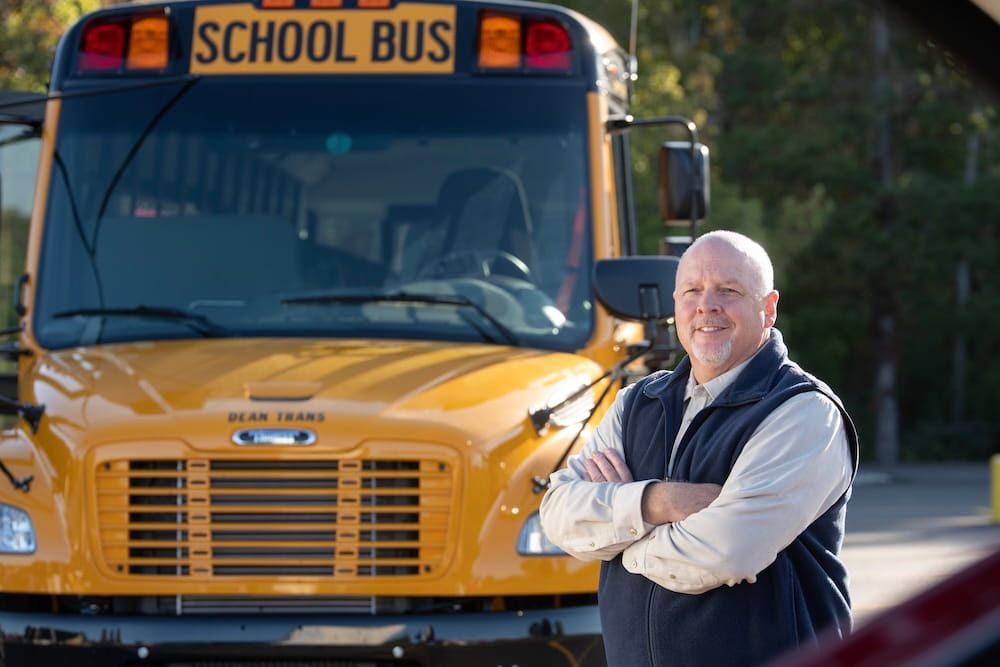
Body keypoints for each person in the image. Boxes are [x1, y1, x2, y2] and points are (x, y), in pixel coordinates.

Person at [539, 230, 859, 667]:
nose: (707, 305)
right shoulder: (637, 403)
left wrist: (619, 537)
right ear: (675, 306)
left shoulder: (803, 412)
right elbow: (558, 514)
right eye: (692, 290)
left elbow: (726, 552)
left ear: (768, 309)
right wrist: (657, 501)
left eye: (728, 290)